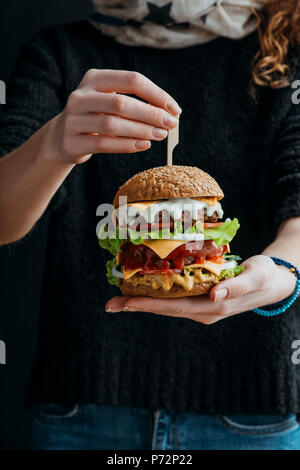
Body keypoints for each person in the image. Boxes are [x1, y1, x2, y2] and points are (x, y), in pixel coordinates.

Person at [1, 0, 300, 450]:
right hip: (82, 404)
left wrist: (280, 272)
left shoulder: (285, 56)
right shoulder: (57, 52)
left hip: (249, 410)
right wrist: (53, 146)